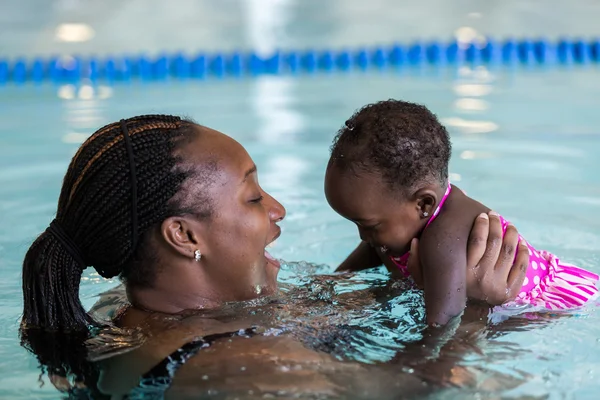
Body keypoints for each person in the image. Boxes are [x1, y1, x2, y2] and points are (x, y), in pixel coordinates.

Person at [20, 115, 530, 398]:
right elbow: (416, 391)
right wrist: (475, 316)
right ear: (183, 235)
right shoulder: (244, 374)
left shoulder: (128, 310)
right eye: (253, 197)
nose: (278, 210)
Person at [325, 99, 599, 327]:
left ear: (424, 205)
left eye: (369, 225)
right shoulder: (402, 219)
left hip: (562, 306)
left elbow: (443, 325)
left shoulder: (442, 239)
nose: (363, 235)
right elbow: (369, 254)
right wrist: (332, 283)